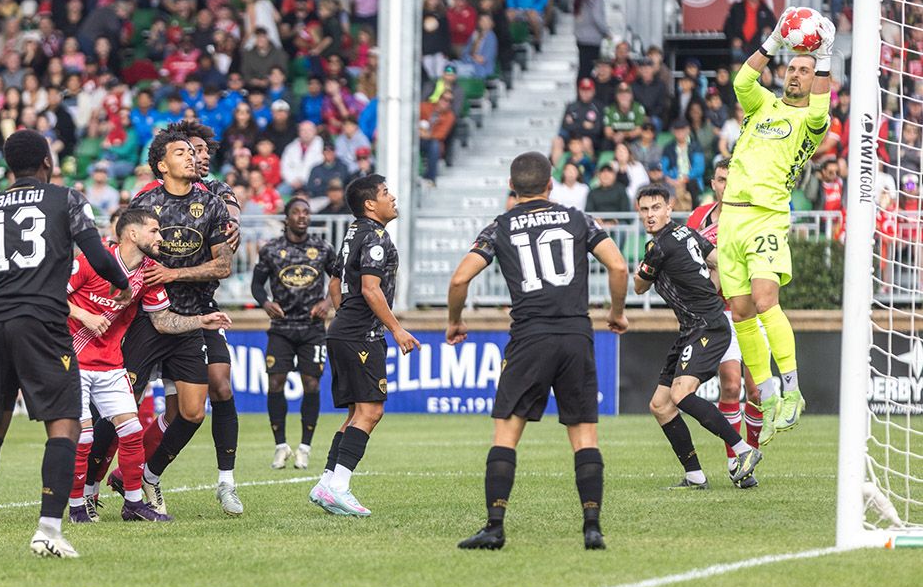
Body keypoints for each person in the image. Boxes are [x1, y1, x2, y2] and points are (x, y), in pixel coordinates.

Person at [0, 130, 131, 559]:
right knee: (65, 424)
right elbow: (98, 256)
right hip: (44, 323)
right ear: (47, 162)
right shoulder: (67, 200)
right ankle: (48, 530)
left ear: (10, 167)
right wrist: (122, 283)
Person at [447, 151, 630, 551]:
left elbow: (460, 279)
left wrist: (455, 321)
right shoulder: (579, 219)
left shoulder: (500, 226)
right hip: (575, 335)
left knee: (506, 434)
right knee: (584, 435)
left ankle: (494, 526)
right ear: (551, 185)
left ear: (512, 187)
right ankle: (592, 527)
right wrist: (616, 313)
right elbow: (618, 267)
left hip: (529, 337)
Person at [66, 209, 231, 522]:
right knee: (85, 437)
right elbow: (48, 296)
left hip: (110, 363)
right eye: (154, 231)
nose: (161, 237)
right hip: (74, 359)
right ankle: (78, 506)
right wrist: (84, 316)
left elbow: (162, 320)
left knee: (131, 431)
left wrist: (201, 321)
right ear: (132, 234)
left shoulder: (149, 272)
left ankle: (133, 503)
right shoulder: (92, 260)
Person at [719, 9, 834, 441]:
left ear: (814, 78)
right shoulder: (762, 103)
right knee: (741, 311)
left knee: (766, 300)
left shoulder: (812, 122)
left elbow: (821, 106)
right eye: (793, 68)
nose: (796, 75)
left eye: (805, 71)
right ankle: (766, 398)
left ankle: (792, 391)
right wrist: (772, 40)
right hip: (731, 216)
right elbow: (741, 82)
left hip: (766, 215)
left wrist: (823, 56)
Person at [118, 128, 233, 516]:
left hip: (192, 317)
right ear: (162, 164)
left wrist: (173, 274)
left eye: (194, 151)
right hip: (146, 318)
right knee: (121, 407)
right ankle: (87, 488)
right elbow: (126, 252)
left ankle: (148, 476)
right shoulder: (145, 202)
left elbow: (224, 265)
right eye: (182, 152)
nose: (193, 157)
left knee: (192, 411)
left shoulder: (212, 201)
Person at [634, 184, 763, 489]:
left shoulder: (660, 247)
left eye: (656, 208)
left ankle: (743, 450)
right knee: (660, 405)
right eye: (644, 209)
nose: (650, 215)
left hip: (706, 326)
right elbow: (719, 261)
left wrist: (645, 271)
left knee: (681, 394)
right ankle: (694, 475)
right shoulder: (688, 233)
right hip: (694, 326)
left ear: (669, 208)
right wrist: (709, 290)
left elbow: (639, 287)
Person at [308, 174, 420, 516]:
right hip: (360, 334)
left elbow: (335, 283)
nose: (393, 197)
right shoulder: (375, 237)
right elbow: (371, 289)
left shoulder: (353, 233)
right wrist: (396, 329)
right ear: (370, 204)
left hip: (344, 330)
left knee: (357, 413)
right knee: (371, 411)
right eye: (386, 192)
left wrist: (345, 315)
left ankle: (327, 483)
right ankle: (339, 487)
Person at [687, 161, 764, 483]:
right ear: (713, 183)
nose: (726, 185)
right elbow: (688, 262)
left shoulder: (754, 217)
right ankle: (736, 461)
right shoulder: (698, 218)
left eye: (732, 180)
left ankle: (751, 454)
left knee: (756, 392)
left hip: (751, 310)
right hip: (719, 313)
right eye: (721, 179)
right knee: (731, 385)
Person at [251, 198, 337, 469]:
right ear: (286, 218)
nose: (302, 216)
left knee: (311, 384)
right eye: (296, 212)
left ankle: (304, 448)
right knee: (275, 382)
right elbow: (256, 285)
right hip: (281, 328)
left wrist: (328, 302)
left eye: (306, 212)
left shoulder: (322, 248)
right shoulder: (272, 250)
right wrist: (266, 303)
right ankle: (281, 446)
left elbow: (339, 279)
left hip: (313, 329)